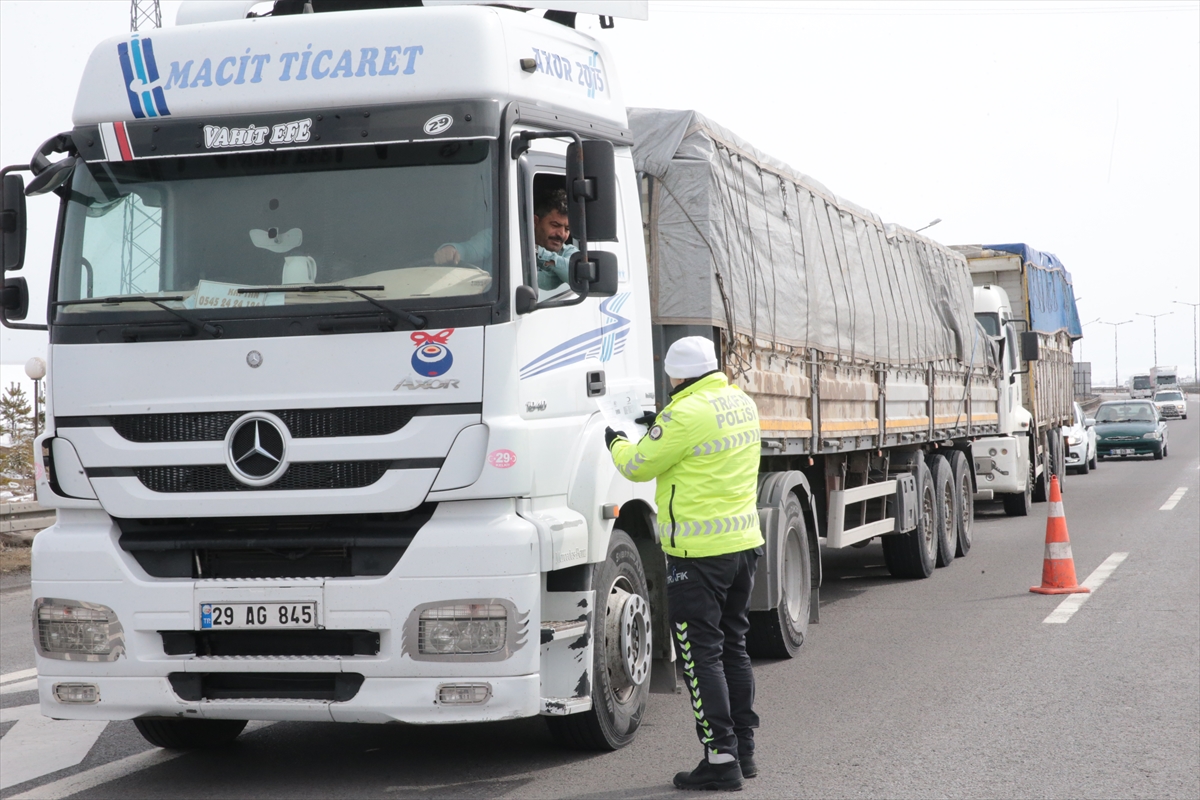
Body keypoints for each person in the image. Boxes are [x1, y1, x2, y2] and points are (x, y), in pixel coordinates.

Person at [604, 336, 764, 792]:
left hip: (698, 556)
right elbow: (700, 447)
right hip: (742, 546)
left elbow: (637, 466)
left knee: (700, 655)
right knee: (733, 647)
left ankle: (720, 760)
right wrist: (661, 428)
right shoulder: (741, 402)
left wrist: (616, 441)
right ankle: (743, 751)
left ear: (675, 375)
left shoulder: (683, 415)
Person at [433, 189, 577, 291]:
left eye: (567, 229)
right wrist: (451, 249)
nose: (561, 234)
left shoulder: (569, 253)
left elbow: (572, 276)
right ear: (535, 221)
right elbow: (469, 249)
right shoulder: (504, 237)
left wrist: (536, 251)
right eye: (555, 225)